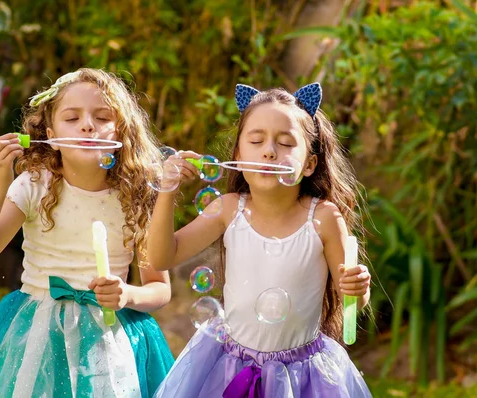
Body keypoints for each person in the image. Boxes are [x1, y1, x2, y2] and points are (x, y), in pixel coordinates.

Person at [0, 68, 174, 398]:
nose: (87, 125)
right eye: (73, 118)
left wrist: (128, 295)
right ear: (51, 135)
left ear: (121, 132)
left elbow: (159, 288)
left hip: (109, 340)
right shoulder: (34, 184)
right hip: (37, 332)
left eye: (101, 117)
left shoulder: (135, 196)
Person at [148, 83, 372, 397]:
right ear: (238, 156)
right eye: (256, 140)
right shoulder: (228, 209)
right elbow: (161, 257)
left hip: (302, 377)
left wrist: (358, 289)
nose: (268, 151)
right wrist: (167, 190)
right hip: (228, 366)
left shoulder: (323, 217)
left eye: (285, 143)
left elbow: (351, 302)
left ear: (309, 164)